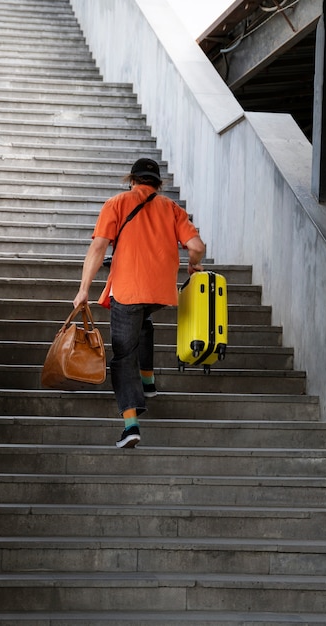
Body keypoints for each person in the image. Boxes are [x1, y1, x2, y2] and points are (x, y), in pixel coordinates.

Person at [73, 158, 205, 448]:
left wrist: (84, 289)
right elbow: (196, 247)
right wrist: (193, 266)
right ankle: (148, 381)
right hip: (160, 292)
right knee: (143, 321)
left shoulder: (117, 203)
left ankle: (131, 426)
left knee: (122, 356)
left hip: (128, 290)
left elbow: (98, 247)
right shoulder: (172, 208)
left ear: (132, 180)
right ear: (157, 185)